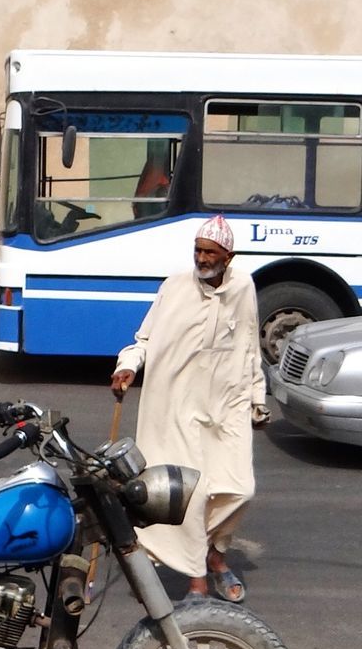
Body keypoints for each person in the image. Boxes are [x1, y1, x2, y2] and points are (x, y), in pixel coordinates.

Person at [110, 215, 270, 602]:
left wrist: (257, 398)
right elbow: (143, 338)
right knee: (192, 495)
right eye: (197, 250)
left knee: (240, 489)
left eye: (209, 252)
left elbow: (249, 347)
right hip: (177, 409)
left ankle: (215, 554)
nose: (201, 258)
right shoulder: (175, 287)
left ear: (228, 257)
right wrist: (127, 366)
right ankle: (197, 580)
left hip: (225, 409)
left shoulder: (243, 287)